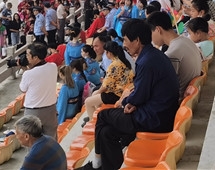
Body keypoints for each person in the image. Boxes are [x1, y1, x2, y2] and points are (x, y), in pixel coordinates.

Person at [76, 20, 180, 170]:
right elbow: (142, 93)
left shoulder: (146, 61)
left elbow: (139, 95)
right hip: (160, 113)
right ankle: (106, 166)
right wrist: (132, 102)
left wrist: (127, 102)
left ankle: (97, 163)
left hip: (154, 118)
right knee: (106, 132)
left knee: (102, 116)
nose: (124, 44)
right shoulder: (153, 55)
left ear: (137, 40)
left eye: (125, 40)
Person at [148, 11, 202, 100]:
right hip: (191, 98)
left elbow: (164, 87)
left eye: (150, 33)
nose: (151, 39)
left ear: (158, 29)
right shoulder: (186, 41)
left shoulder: (172, 54)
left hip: (179, 101)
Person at [84, 41, 133, 123]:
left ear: (109, 53)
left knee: (88, 101)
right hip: (122, 91)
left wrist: (98, 92)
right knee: (95, 93)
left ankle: (93, 122)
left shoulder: (114, 65)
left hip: (116, 94)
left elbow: (106, 85)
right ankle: (96, 116)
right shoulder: (123, 61)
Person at [19, 42, 58, 140]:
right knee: (51, 140)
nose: (26, 57)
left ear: (35, 57)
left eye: (28, 54)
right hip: (50, 109)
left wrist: (25, 70)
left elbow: (23, 89)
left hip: (33, 112)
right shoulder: (53, 66)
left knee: (31, 141)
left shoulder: (28, 74)